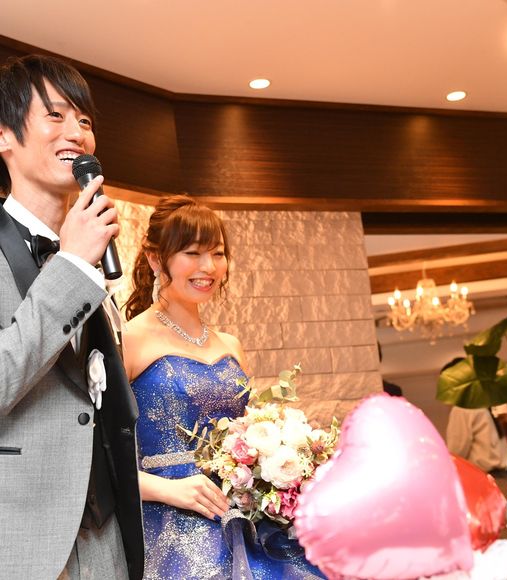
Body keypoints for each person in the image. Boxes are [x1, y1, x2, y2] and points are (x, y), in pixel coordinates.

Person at [123, 195, 324, 579]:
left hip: (243, 516)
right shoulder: (129, 340)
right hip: (172, 525)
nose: (209, 267)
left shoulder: (231, 345)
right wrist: (168, 490)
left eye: (217, 254)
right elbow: (96, 460)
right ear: (155, 259)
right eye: (192, 253)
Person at [0, 54, 144, 579]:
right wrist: (70, 269)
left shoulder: (88, 253)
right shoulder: (76, 262)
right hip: (20, 541)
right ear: (4, 136)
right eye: (55, 115)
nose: (77, 133)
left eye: (84, 120)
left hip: (106, 538)